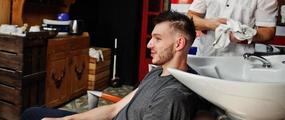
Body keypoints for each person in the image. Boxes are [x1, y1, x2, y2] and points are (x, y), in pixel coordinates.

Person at [22, 11, 215, 120]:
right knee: (33, 113)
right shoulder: (156, 74)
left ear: (179, 44)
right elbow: (116, 109)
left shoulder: (174, 95)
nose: (149, 45)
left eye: (157, 39)